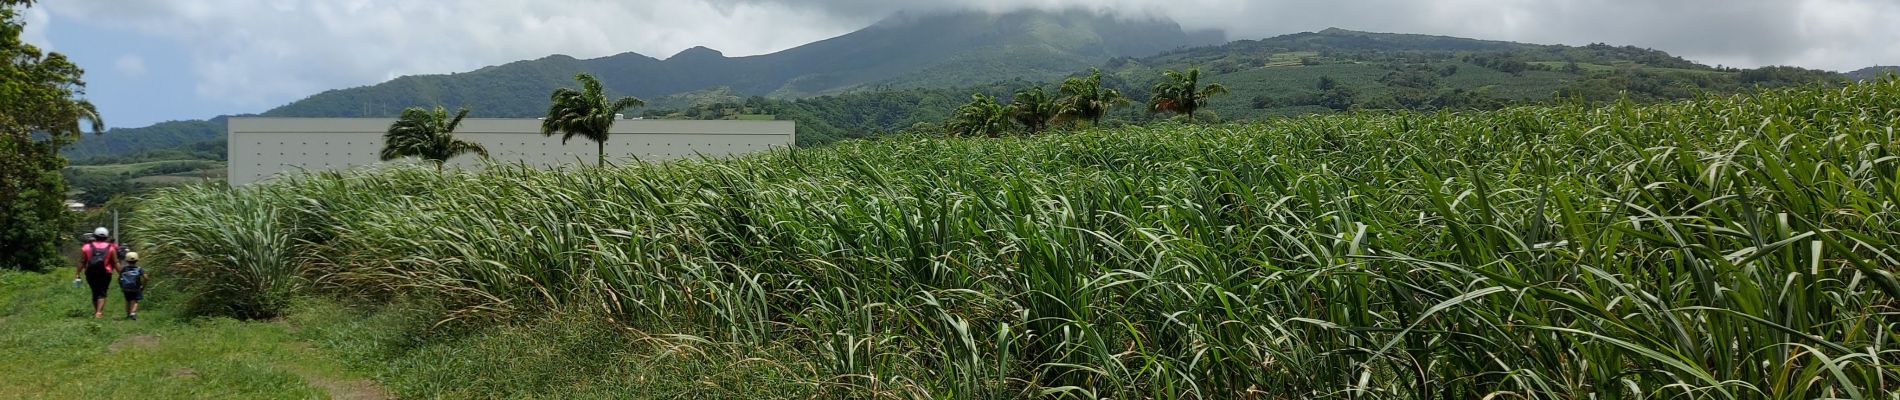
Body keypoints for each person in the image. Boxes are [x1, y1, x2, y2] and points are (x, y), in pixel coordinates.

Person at [75, 227, 120, 319]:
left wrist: (78, 273)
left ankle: (97, 311)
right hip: (105, 273)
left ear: (95, 236)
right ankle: (99, 312)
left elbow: (82, 261)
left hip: (90, 273)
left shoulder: (87, 247)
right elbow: (115, 262)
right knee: (102, 292)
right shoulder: (111, 248)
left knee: (95, 292)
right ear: (106, 237)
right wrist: (121, 273)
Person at [119, 252, 148, 320]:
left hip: (126, 288)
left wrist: (122, 286)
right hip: (136, 288)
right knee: (135, 300)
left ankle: (128, 314)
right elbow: (146, 278)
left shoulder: (124, 269)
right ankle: (133, 313)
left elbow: (119, 278)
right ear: (137, 260)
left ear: (126, 260)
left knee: (128, 300)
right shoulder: (139, 269)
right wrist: (143, 286)